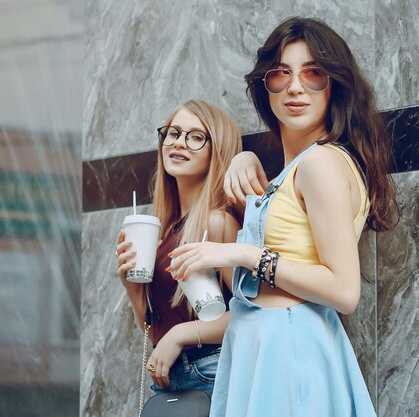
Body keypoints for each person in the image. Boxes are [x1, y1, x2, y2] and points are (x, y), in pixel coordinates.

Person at [170, 17, 398, 416]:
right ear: (265, 86)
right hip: (268, 345)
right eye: (281, 74)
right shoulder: (302, 166)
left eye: (314, 74)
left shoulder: (321, 163)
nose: (295, 86)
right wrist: (246, 158)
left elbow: (344, 291)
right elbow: (289, 234)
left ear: (335, 87)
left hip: (288, 346)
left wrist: (240, 256)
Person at [115, 99, 242, 396]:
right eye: (173, 133)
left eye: (196, 137)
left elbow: (250, 312)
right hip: (169, 379)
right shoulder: (163, 230)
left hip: (212, 371)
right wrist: (133, 291)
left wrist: (182, 335)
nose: (179, 143)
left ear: (216, 151)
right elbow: (155, 331)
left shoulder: (218, 223)